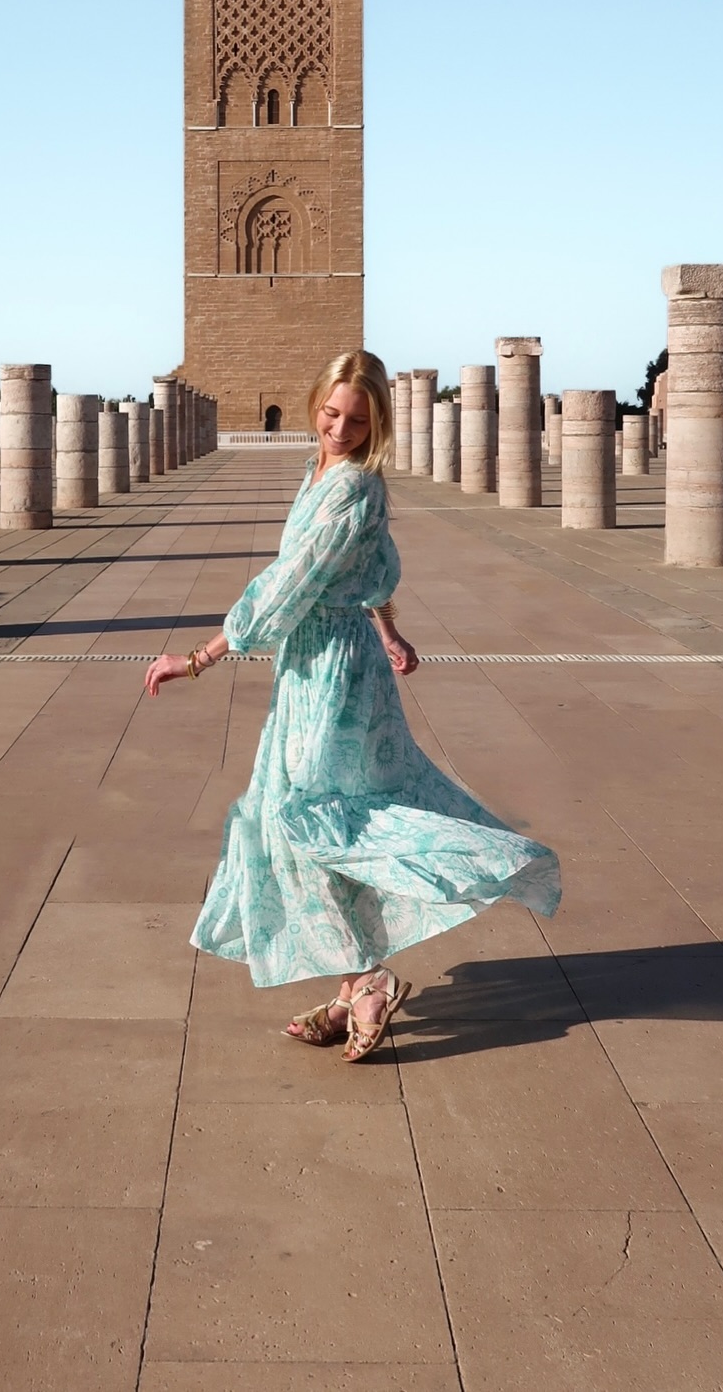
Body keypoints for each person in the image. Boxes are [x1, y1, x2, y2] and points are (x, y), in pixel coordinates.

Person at [145, 349, 561, 1062]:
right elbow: (371, 571)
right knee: (300, 811)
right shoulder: (322, 473)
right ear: (315, 405)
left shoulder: (353, 490)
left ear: (378, 425)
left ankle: (369, 976)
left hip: (332, 673)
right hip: (318, 664)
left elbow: (289, 583)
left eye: (358, 421)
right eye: (333, 413)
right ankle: (353, 982)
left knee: (307, 815)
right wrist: (392, 632)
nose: (341, 428)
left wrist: (198, 659)